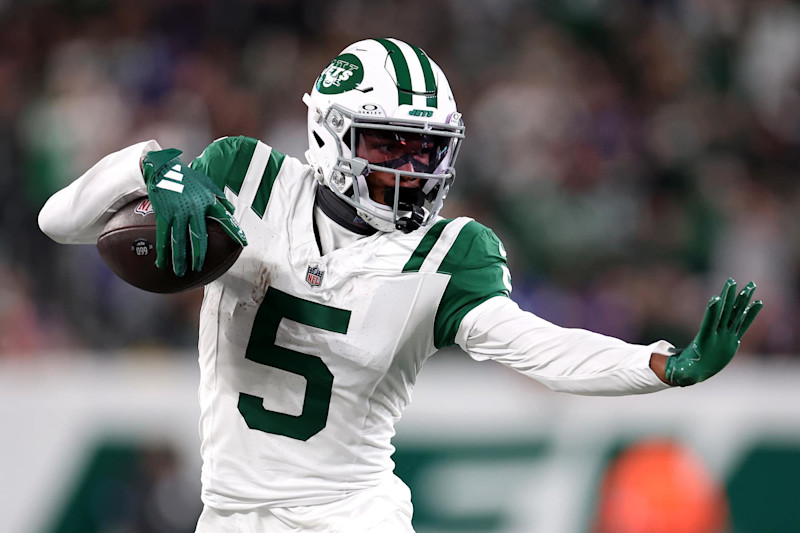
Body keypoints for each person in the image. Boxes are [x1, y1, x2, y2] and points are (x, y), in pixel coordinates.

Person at [38, 38, 762, 532]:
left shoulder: (451, 252)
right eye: (388, 143)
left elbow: (539, 348)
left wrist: (661, 364)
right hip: (230, 513)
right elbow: (58, 220)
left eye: (425, 148)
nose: (410, 167)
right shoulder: (245, 177)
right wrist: (146, 167)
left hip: (353, 515)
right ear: (328, 134)